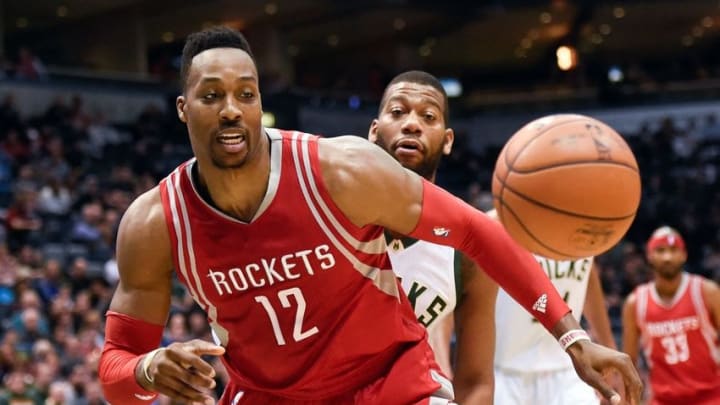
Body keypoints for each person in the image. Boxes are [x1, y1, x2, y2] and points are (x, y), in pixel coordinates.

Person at [97, 26, 642, 405]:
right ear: (183, 109)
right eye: (211, 95)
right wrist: (147, 368)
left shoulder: (337, 170)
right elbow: (116, 367)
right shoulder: (154, 225)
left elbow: (478, 231)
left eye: (247, 93)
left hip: (389, 386)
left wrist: (573, 338)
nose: (233, 108)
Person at [368, 70, 498, 403]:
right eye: (397, 112)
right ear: (373, 131)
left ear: (448, 139)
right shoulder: (329, 221)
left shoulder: (467, 247)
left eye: (428, 116)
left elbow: (477, 381)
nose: (412, 124)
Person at [491, 240, 619, 404]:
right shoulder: (495, 223)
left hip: (569, 369)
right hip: (505, 372)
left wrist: (609, 345)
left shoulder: (586, 227)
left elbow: (588, 278)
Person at [622, 226, 720, 405]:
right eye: (661, 250)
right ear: (649, 256)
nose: (667, 257)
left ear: (684, 254)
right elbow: (630, 363)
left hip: (712, 395)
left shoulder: (706, 291)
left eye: (674, 250)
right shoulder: (635, 303)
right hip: (664, 399)